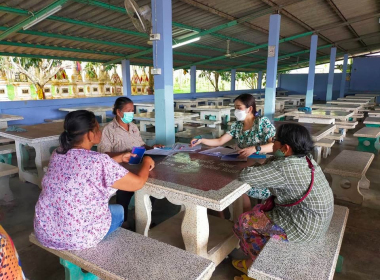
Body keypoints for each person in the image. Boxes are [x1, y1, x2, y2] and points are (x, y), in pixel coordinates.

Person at [34, 110, 155, 250]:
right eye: (98, 129)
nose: (100, 132)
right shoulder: (99, 161)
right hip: (78, 238)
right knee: (119, 210)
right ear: (90, 135)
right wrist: (146, 161)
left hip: (45, 231)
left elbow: (85, 165)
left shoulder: (59, 152)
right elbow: (138, 183)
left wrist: (120, 158)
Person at [231, 123, 334, 280]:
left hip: (303, 227)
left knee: (243, 222)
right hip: (315, 220)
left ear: (285, 148)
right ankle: (255, 261)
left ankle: (258, 268)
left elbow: (245, 175)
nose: (272, 141)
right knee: (259, 209)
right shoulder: (305, 159)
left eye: (275, 140)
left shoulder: (285, 168)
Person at [190, 93, 276, 211]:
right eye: (235, 108)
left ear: (249, 108)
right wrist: (201, 140)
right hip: (242, 164)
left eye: (239, 108)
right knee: (218, 179)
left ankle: (244, 220)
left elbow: (274, 146)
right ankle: (220, 214)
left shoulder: (262, 123)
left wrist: (256, 148)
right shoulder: (237, 126)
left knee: (237, 187)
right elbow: (220, 141)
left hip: (260, 166)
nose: (236, 111)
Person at [98, 97, 163, 226]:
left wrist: (153, 148)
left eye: (132, 110)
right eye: (128, 111)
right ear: (118, 112)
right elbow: (104, 154)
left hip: (137, 163)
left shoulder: (133, 127)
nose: (131, 113)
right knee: (125, 192)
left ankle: (142, 215)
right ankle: (124, 221)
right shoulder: (108, 130)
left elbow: (141, 145)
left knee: (154, 186)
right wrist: (122, 155)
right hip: (120, 167)